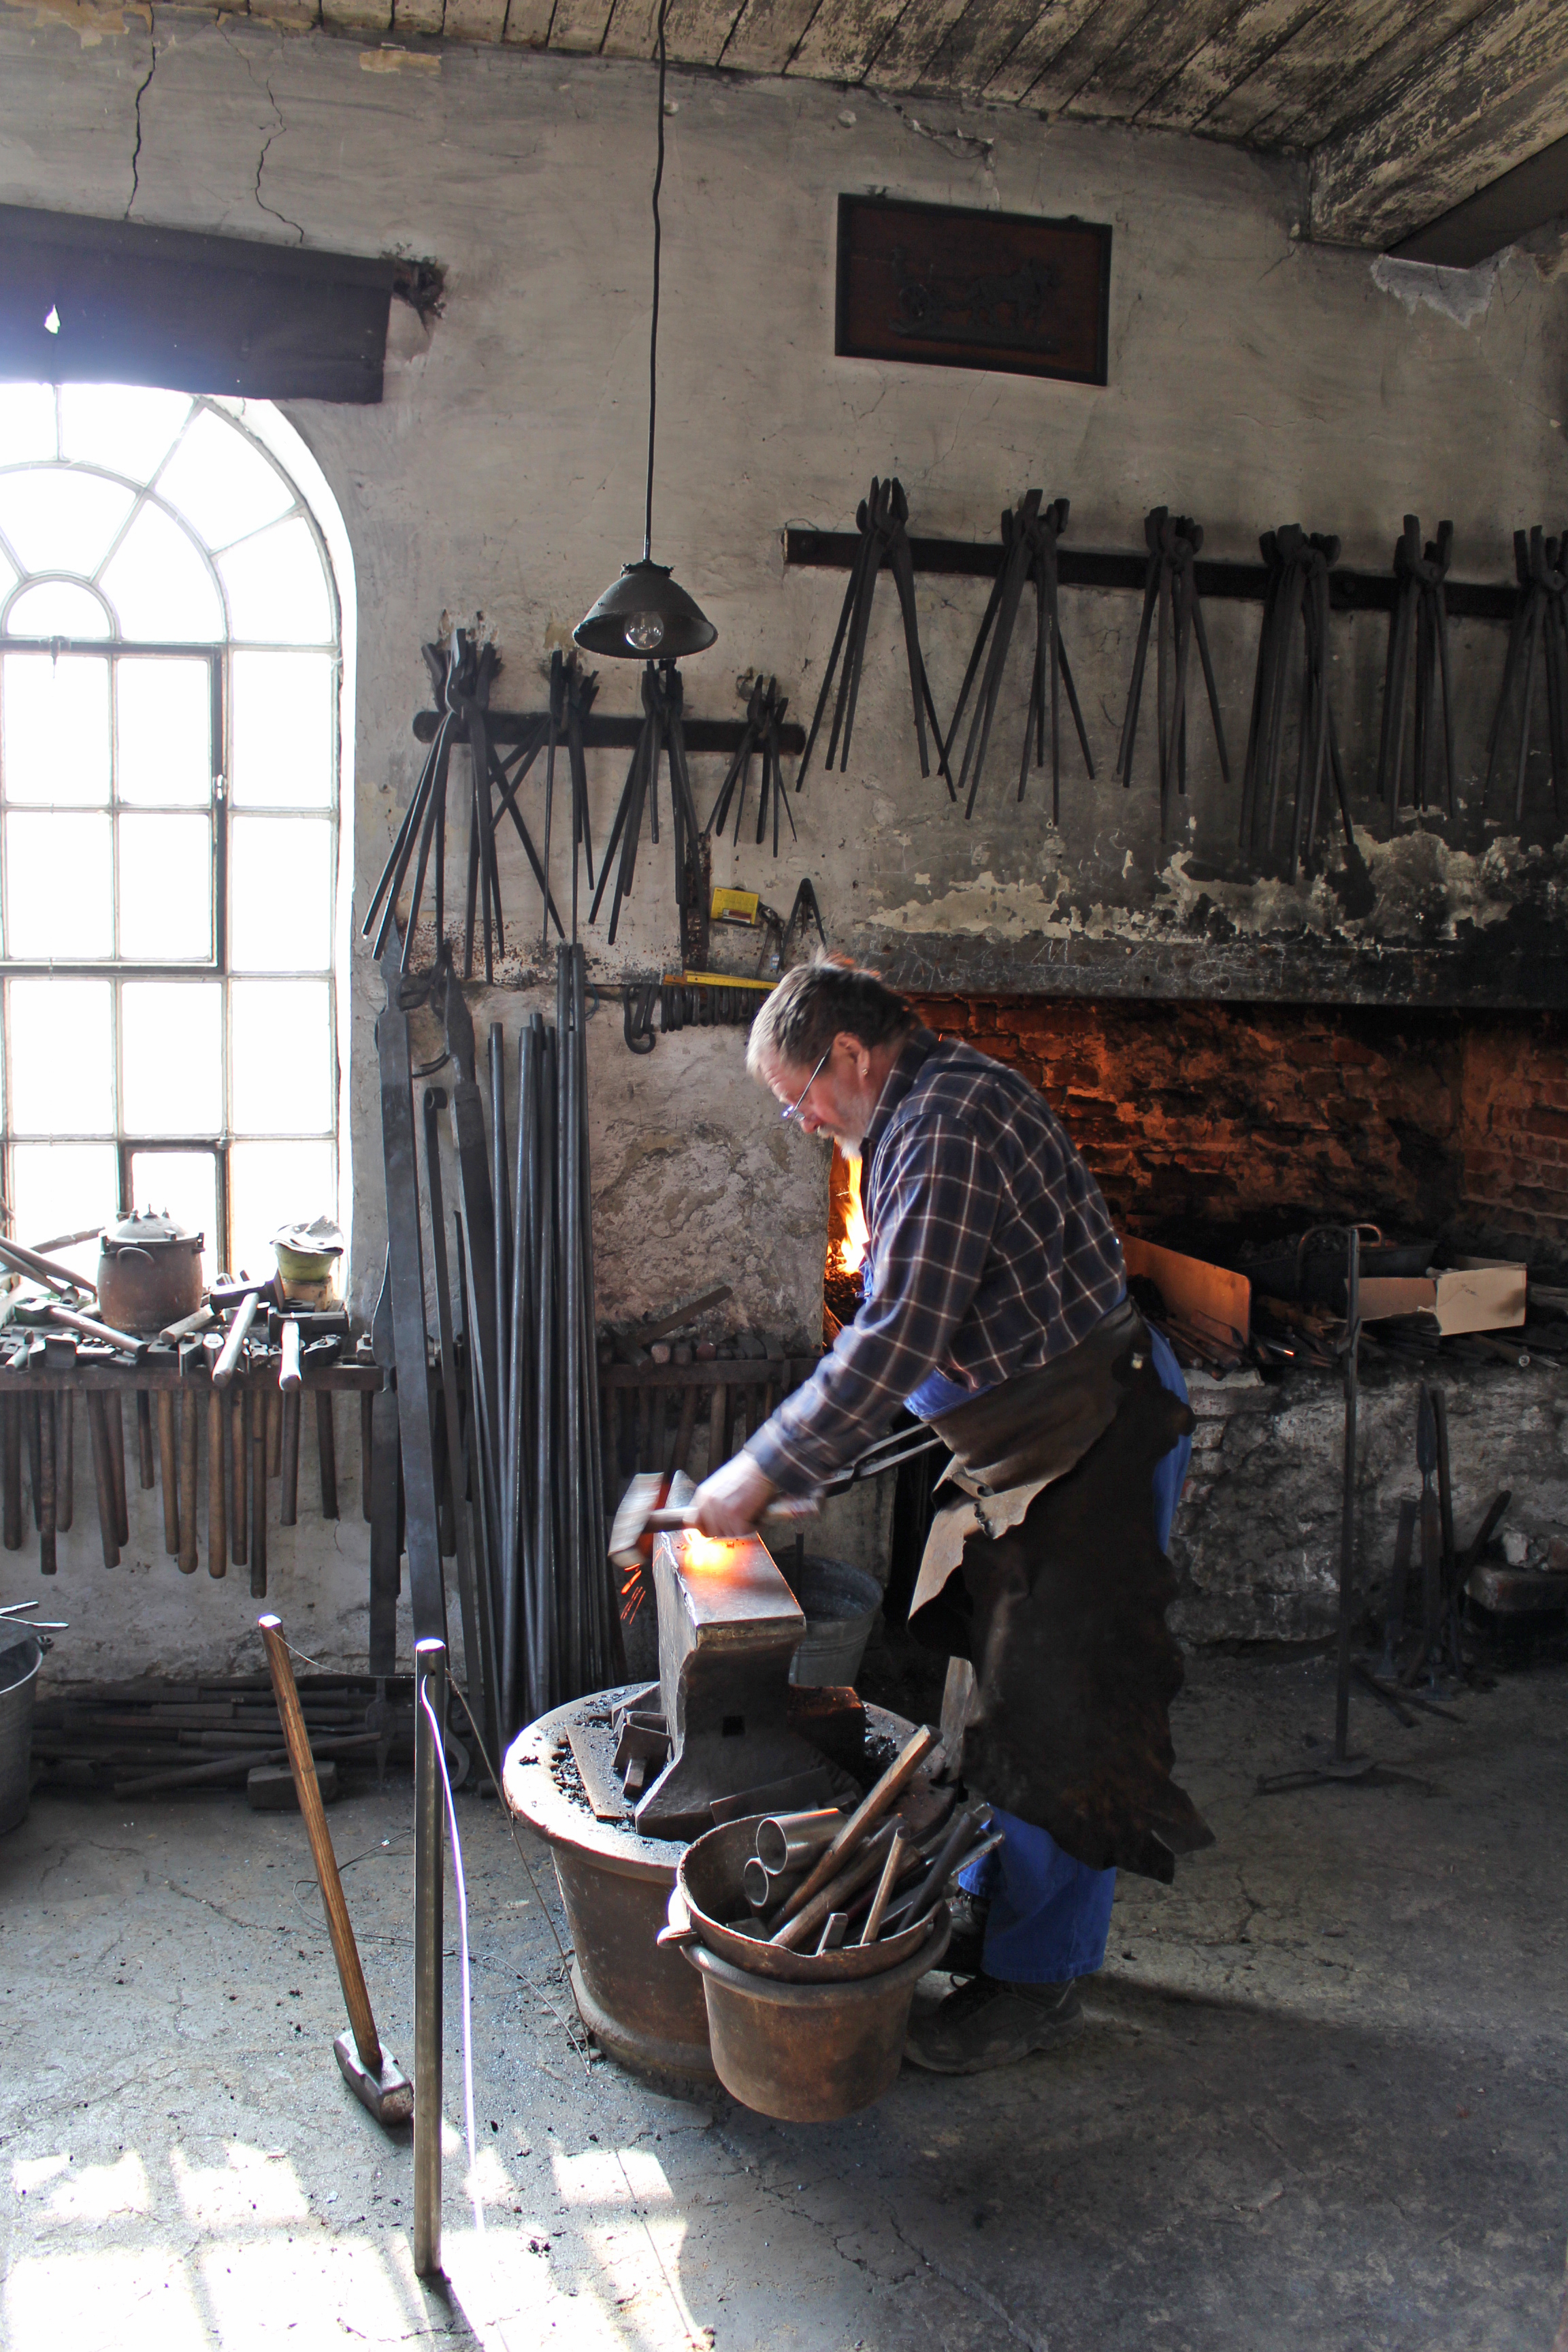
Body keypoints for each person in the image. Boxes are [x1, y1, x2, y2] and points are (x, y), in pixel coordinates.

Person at [693, 956, 1209, 2074]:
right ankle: (991, 1908)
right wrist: (818, 1462)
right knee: (992, 1699)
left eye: (799, 1096)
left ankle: (1040, 1981)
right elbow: (915, 1325)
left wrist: (757, 1467)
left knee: (1062, 1719)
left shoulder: (950, 1123)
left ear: (849, 1055)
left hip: (1093, 1439)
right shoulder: (904, 1122)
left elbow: (902, 1336)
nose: (800, 1120)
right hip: (1025, 1442)